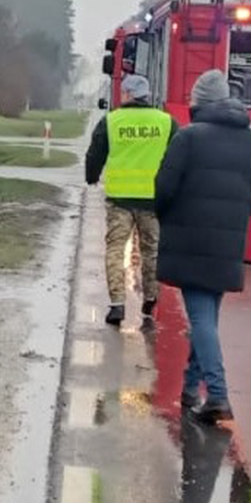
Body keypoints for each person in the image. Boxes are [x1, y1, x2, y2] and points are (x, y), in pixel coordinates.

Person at [155, 70, 251, 423]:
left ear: (199, 102)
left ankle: (218, 394)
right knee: (206, 316)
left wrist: (171, 216)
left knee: (202, 318)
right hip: (228, 241)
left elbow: (164, 188)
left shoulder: (188, 137)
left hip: (191, 240)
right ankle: (190, 388)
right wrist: (236, 216)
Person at [85, 74, 179, 327]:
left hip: (120, 200)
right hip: (153, 200)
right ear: (147, 96)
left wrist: (91, 177)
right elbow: (178, 157)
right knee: (152, 250)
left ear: (126, 95)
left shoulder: (112, 121)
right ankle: (150, 298)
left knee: (115, 249)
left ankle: (117, 304)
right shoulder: (166, 122)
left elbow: (95, 152)